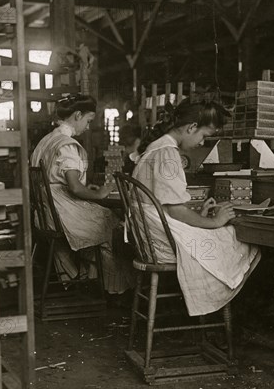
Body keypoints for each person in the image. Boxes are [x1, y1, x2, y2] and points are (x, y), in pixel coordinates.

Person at [130, 99, 261, 316]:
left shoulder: (154, 148)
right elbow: (175, 211)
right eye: (204, 136)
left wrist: (199, 217)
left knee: (224, 237)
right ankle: (226, 313)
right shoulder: (168, 154)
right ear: (191, 127)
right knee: (239, 238)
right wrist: (213, 221)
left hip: (149, 237)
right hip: (161, 242)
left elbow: (169, 209)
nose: (202, 143)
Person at [30, 94, 133, 294]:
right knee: (113, 225)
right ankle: (113, 290)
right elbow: (75, 188)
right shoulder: (67, 145)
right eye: (88, 121)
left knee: (102, 223)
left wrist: (89, 189)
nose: (87, 127)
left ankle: (83, 278)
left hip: (46, 213)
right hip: (62, 212)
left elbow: (60, 181)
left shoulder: (46, 141)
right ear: (77, 115)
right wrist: (101, 193)